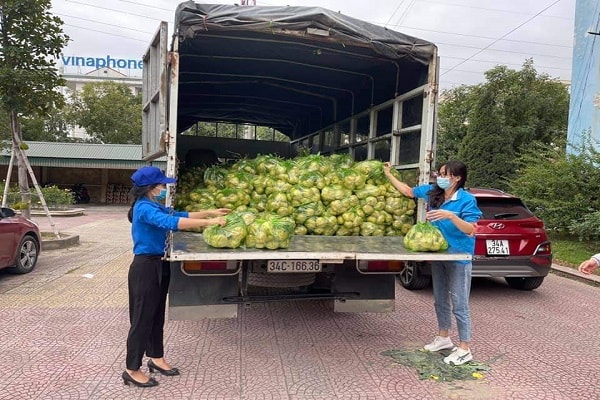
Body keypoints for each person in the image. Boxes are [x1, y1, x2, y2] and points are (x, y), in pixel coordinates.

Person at [122, 166, 230, 388]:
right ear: (150, 188)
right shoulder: (143, 208)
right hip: (145, 268)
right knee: (142, 318)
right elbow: (172, 224)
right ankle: (132, 369)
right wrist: (209, 223)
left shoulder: (153, 205)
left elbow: (179, 215)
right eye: (161, 185)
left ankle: (156, 357)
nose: (164, 188)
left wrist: (211, 213)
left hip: (160, 265)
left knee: (156, 315)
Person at [383, 161, 482, 366]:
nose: (440, 177)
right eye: (440, 173)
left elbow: (471, 229)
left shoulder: (466, 200)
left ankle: (464, 348)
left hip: (459, 257)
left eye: (445, 174)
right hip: (440, 254)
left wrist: (450, 216)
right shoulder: (433, 192)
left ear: (456, 178)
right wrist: (388, 174)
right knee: (440, 299)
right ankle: (444, 337)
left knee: (460, 303)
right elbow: (409, 191)